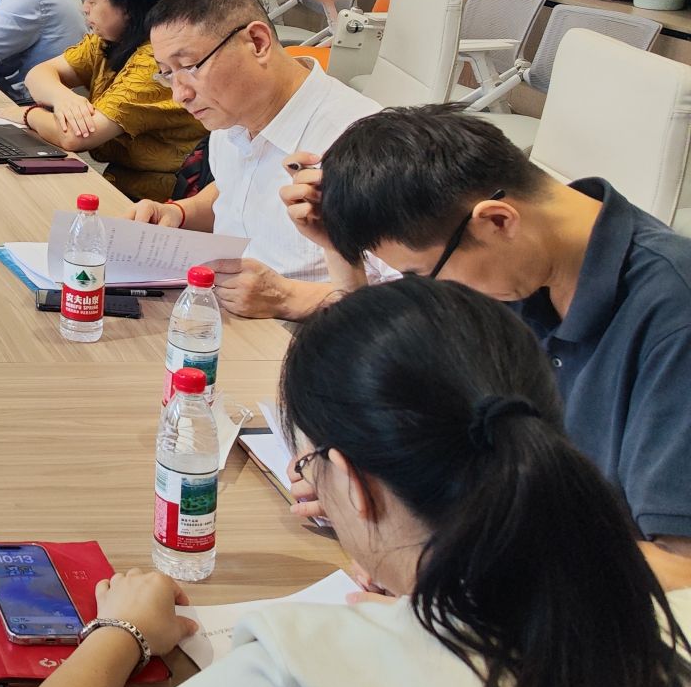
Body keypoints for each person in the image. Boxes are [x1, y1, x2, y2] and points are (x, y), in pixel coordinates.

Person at [0, 279, 691, 687]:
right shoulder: (656, 610)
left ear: (352, 483)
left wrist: (123, 631)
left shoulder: (317, 678)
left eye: (308, 462)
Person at [286, 103, 691, 555]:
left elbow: (681, 568)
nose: (432, 291)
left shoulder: (673, 316)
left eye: (422, 274)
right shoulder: (520, 270)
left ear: (498, 220)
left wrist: (444, 554)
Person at [127, 0, 377, 318]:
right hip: (220, 310)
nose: (179, 94)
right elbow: (234, 192)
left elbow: (412, 294)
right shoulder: (230, 117)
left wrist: (286, 297)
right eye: (167, 73)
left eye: (190, 66)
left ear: (257, 42)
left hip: (311, 332)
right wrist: (179, 213)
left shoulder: (359, 140)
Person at [10, 0, 203, 201]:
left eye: (92, 0)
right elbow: (39, 74)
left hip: (161, 200)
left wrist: (28, 114)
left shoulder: (155, 61)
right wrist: (63, 98)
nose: (84, 7)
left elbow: (75, 137)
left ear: (127, 6)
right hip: (120, 183)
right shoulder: (109, 39)